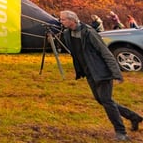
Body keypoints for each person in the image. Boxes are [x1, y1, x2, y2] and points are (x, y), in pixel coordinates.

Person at [60, 10, 143, 141]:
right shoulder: (67, 33)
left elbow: (105, 52)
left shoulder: (89, 32)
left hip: (101, 71)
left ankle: (121, 132)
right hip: (89, 72)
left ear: (72, 20)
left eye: (63, 19)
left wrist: (116, 72)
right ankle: (134, 117)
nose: (61, 21)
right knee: (101, 100)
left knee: (106, 100)